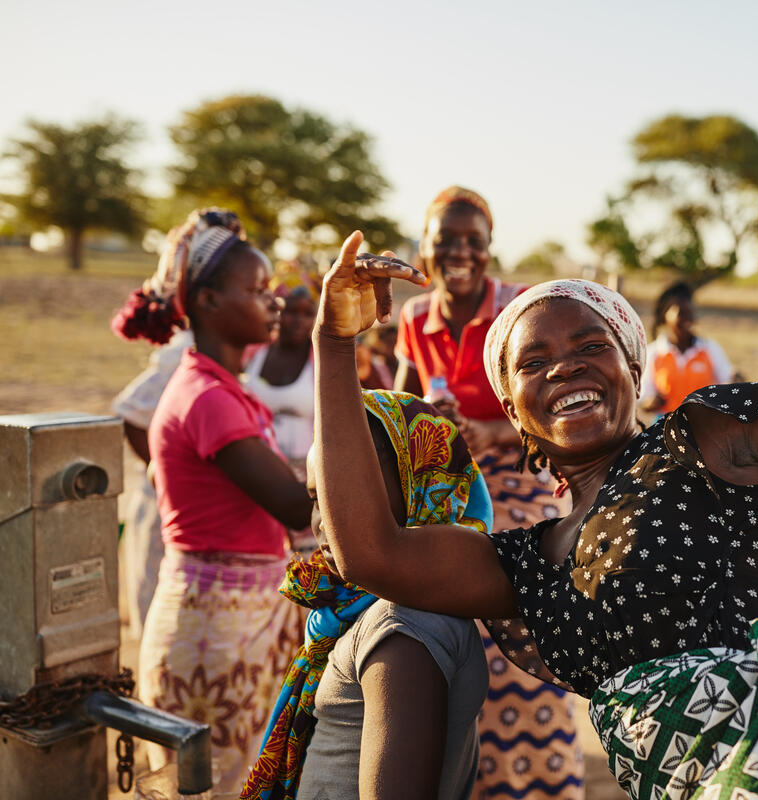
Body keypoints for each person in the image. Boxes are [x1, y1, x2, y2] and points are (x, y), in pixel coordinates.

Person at [312, 133, 758, 799]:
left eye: (591, 343)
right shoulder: (527, 567)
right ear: (515, 416)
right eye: (532, 361)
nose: (565, 364)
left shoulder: (710, 437)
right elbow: (371, 555)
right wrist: (333, 344)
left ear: (632, 370)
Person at [392, 186, 584, 800]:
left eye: (473, 241)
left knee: (519, 631)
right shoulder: (414, 318)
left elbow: (555, 408)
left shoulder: (517, 312)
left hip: (520, 479)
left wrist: (488, 430)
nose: (459, 253)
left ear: (489, 247)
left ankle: (533, 782)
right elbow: (396, 411)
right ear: (423, 248)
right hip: (447, 491)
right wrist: (426, 415)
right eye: (445, 240)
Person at [113, 208, 313, 793]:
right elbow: (298, 507)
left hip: (231, 626)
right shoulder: (207, 398)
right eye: (257, 291)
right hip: (215, 637)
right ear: (207, 302)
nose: (273, 302)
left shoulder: (225, 389)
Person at [242, 389, 492, 800]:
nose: (325, 521)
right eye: (316, 498)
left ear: (421, 487)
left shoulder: (403, 627)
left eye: (347, 493)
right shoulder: (359, 606)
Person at [108, 327, 193, 640]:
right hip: (164, 504)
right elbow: (130, 412)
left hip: (196, 511)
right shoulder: (189, 349)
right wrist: (165, 471)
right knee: (159, 610)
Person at [244, 262, 320, 477]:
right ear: (275, 310)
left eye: (307, 313)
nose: (298, 321)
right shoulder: (252, 355)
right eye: (290, 311)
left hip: (307, 477)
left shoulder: (321, 362)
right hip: (255, 473)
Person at [640, 280, 735, 414]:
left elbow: (728, 380)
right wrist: (653, 401)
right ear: (664, 316)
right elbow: (645, 400)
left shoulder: (709, 349)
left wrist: (736, 380)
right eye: (680, 313)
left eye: (690, 312)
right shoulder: (653, 353)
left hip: (703, 424)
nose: (687, 318)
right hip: (666, 426)